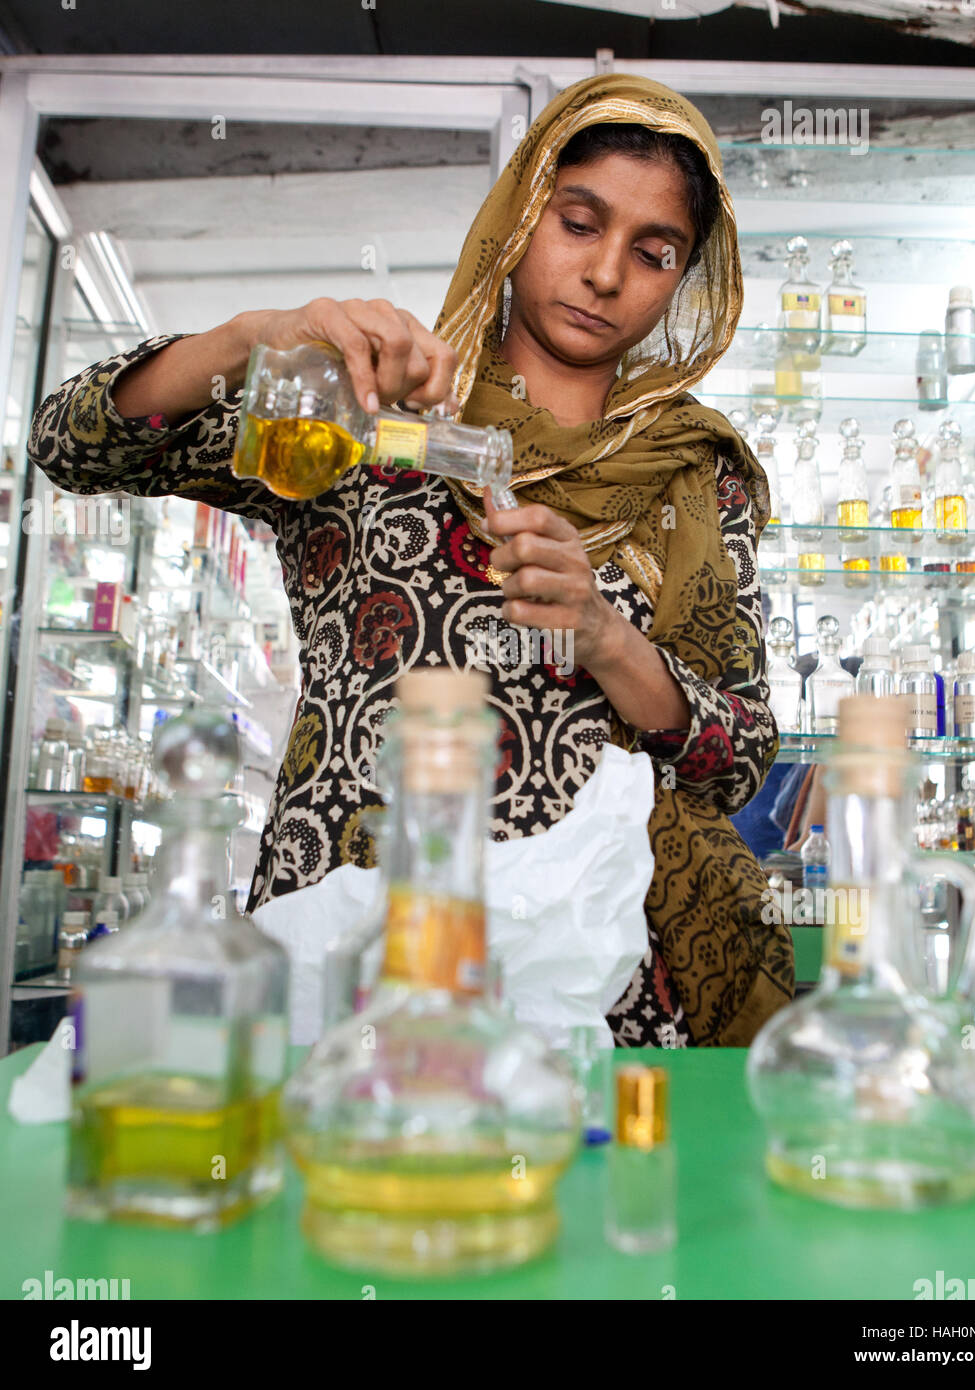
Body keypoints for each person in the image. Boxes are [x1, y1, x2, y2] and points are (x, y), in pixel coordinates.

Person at [28, 73, 793, 1046]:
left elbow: (735, 757)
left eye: (652, 253)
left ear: (682, 281)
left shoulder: (690, 475)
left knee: (560, 1196)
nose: (605, 273)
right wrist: (251, 340)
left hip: (583, 976)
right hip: (346, 940)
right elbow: (75, 446)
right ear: (520, 218)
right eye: (578, 221)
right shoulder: (373, 401)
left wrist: (604, 635)